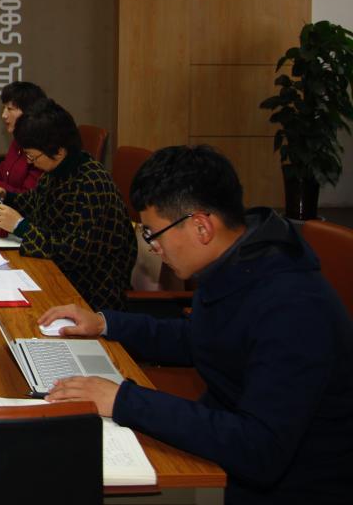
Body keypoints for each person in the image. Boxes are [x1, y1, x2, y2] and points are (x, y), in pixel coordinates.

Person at [40, 145, 353, 504]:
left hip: (292, 485)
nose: (153, 248)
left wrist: (124, 400)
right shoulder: (238, 259)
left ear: (201, 226)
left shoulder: (294, 309)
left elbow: (259, 449)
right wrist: (105, 324)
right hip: (230, 448)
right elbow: (199, 338)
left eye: (153, 234)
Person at [0, 99, 134, 310]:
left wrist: (21, 227)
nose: (29, 162)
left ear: (58, 151)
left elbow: (71, 253)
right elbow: (35, 202)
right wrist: (6, 196)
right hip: (54, 275)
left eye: (32, 156)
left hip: (88, 295)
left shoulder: (91, 185)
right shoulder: (57, 171)